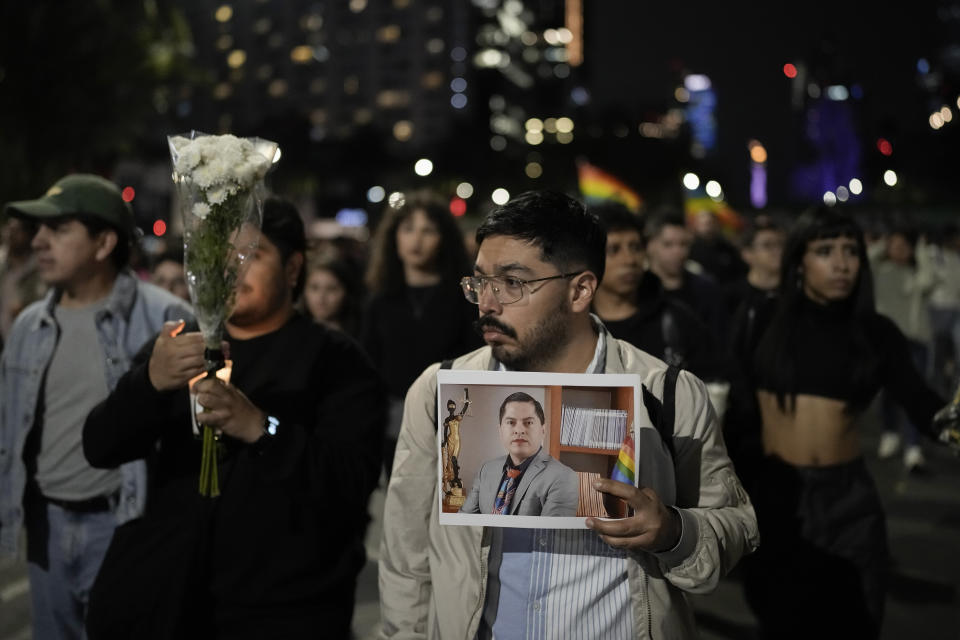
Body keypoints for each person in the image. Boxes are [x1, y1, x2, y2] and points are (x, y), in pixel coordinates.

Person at [379, 190, 758, 639]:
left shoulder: (666, 393)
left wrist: (673, 532)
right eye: (480, 282)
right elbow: (407, 559)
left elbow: (736, 525)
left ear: (580, 289)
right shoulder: (440, 393)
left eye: (513, 283)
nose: (487, 304)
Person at [82, 197, 386, 639]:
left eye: (252, 256)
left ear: (293, 268)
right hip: (171, 598)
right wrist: (147, 383)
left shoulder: (337, 361)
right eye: (221, 256)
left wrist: (262, 428)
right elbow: (100, 445)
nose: (232, 269)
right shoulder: (180, 345)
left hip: (280, 607)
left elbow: (349, 484)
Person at [742, 207, 949, 639]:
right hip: (778, 498)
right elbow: (733, 410)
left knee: (856, 621)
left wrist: (950, 423)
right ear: (800, 260)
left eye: (851, 251)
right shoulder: (762, 318)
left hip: (849, 501)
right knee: (782, 620)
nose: (841, 263)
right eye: (825, 251)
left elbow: (919, 399)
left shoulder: (875, 332)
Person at [0, 174, 191, 640]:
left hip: (125, 522)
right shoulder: (29, 324)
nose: (40, 242)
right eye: (38, 230)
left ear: (105, 242)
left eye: (59, 229)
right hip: (45, 525)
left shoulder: (166, 318)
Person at [362, 189, 481, 479]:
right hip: (395, 420)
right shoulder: (380, 300)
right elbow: (369, 365)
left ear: (444, 239)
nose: (416, 240)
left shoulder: (462, 297)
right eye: (408, 229)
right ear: (394, 237)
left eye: (428, 230)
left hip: (452, 419)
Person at [590, 201, 722, 381]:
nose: (629, 260)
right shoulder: (575, 325)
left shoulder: (678, 320)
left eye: (635, 247)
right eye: (613, 250)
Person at [871, 225, 935, 472]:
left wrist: (919, 250)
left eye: (904, 246)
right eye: (894, 245)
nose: (899, 250)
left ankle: (913, 447)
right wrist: (882, 243)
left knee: (914, 395)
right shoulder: (880, 272)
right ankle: (889, 434)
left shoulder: (915, 275)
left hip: (915, 343)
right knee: (888, 394)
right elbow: (865, 261)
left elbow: (928, 279)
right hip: (886, 343)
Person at [460, 392, 578, 516]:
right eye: (511, 422)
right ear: (500, 431)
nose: (519, 430)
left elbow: (551, 535)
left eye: (528, 423)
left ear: (543, 430)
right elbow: (462, 522)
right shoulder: (486, 470)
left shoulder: (563, 477)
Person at [644, 209, 728, 346]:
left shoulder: (708, 289)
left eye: (683, 244)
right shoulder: (637, 291)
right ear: (650, 245)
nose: (678, 252)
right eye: (668, 244)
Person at [301, 251, 364, 338]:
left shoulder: (362, 335)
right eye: (314, 288)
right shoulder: (294, 334)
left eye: (331, 289)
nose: (321, 297)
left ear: (347, 292)